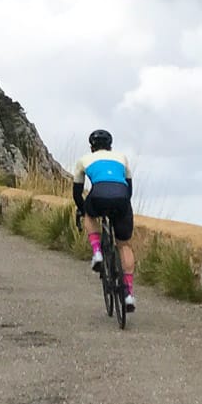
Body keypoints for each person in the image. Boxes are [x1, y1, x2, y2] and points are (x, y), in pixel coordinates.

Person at [71, 128, 135, 311]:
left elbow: (77, 193)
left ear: (92, 147)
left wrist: (84, 210)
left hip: (98, 196)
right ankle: (129, 294)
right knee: (124, 245)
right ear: (110, 146)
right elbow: (129, 189)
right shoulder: (122, 158)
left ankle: (97, 252)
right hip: (122, 198)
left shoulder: (84, 160)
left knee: (89, 214)